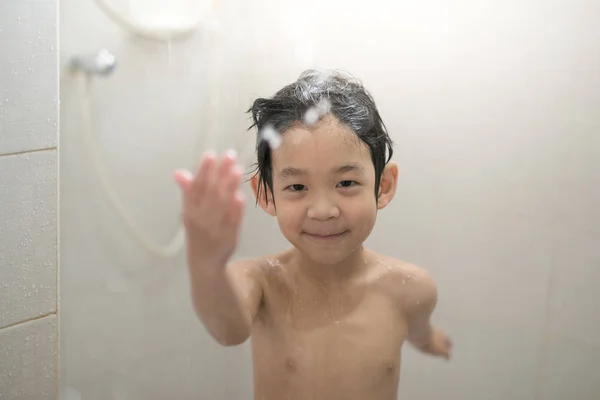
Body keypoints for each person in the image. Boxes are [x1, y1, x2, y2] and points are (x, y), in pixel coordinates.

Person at [174, 70, 451, 400]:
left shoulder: (410, 288)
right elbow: (227, 329)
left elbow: (418, 329)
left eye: (346, 183)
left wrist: (431, 341)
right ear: (266, 195)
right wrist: (206, 263)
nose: (323, 210)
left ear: (384, 186)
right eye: (297, 187)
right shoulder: (261, 281)